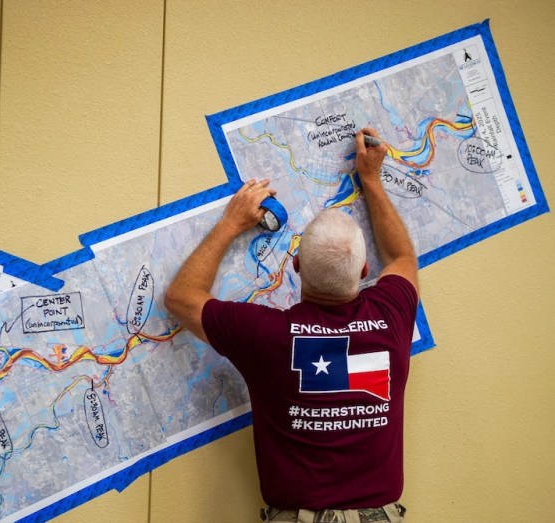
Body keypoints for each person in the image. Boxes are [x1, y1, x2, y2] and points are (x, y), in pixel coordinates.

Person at [164, 127, 418, 523]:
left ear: (296, 268)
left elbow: (181, 297)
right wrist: (370, 179)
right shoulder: (392, 314)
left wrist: (231, 223)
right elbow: (402, 256)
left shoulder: (264, 335)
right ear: (365, 271)